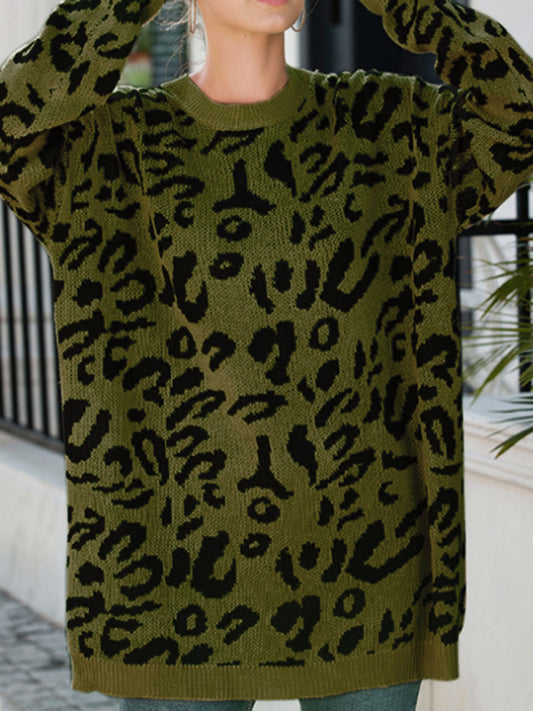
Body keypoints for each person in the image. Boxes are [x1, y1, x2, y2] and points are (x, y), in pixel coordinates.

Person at [0, 0, 532, 709]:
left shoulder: (390, 125)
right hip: (166, 584)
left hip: (372, 571)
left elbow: (518, 110)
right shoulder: (108, 148)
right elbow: (13, 123)